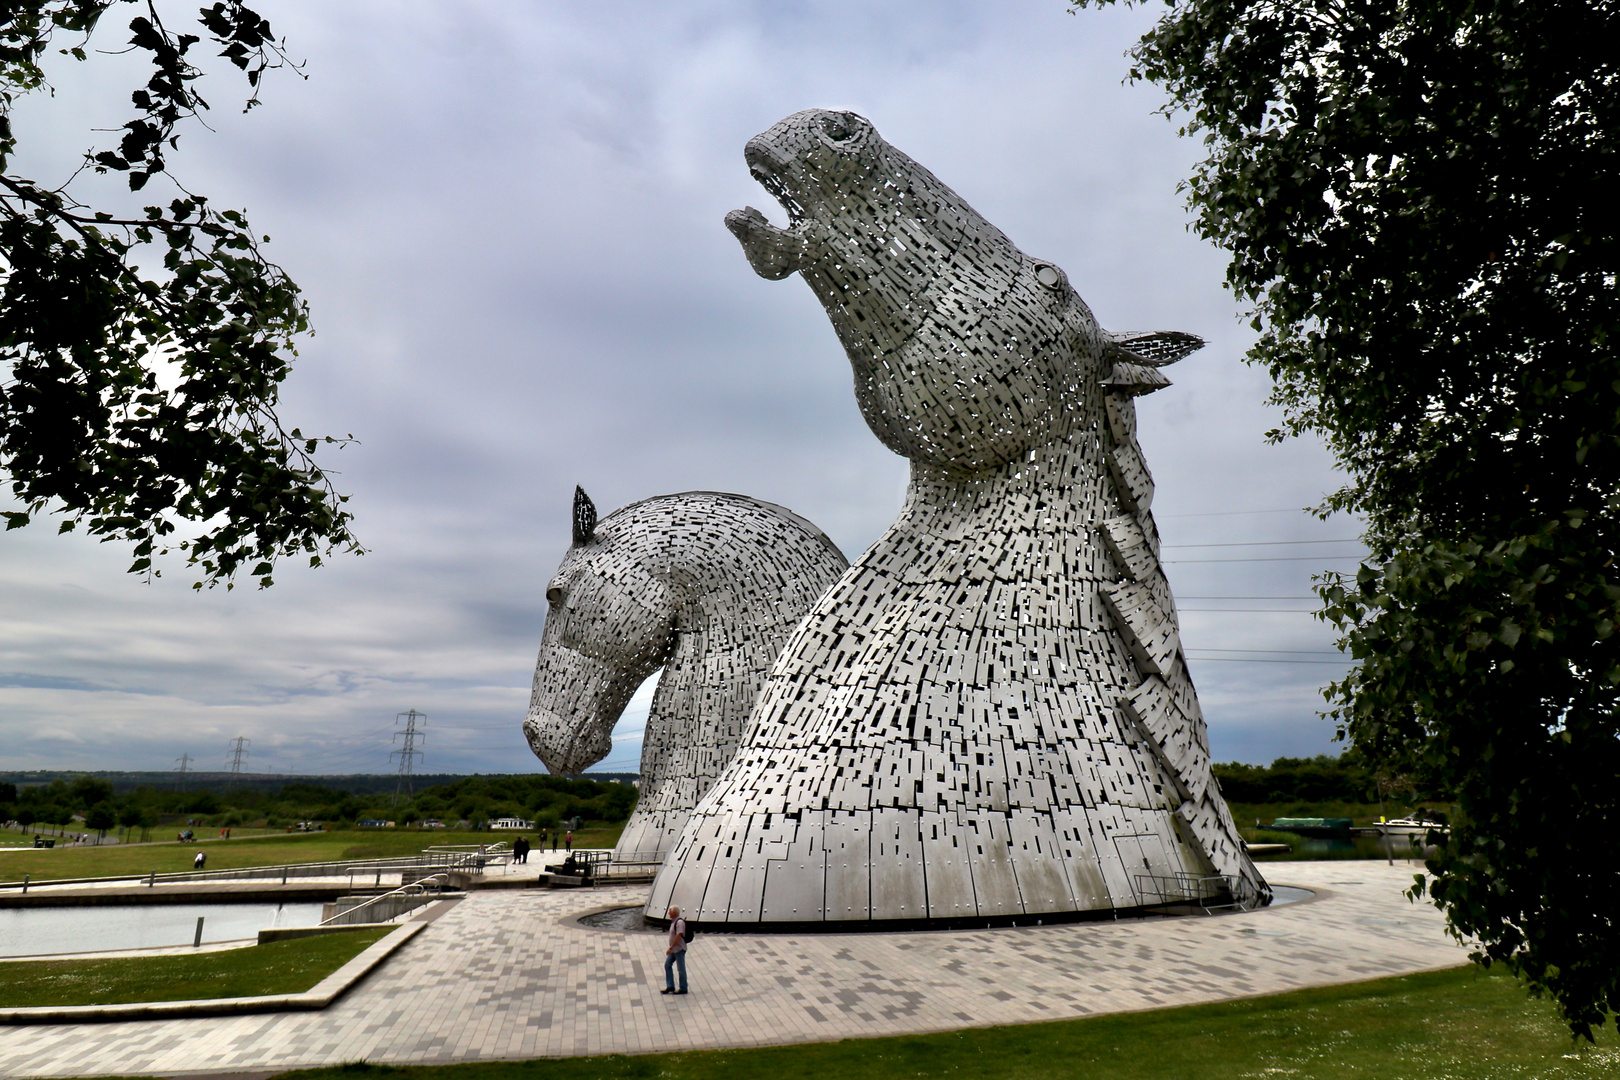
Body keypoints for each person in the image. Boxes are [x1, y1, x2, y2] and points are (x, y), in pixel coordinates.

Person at [662, 905, 688, 995]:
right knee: (667, 965)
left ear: (674, 913)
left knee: (681, 969)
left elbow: (679, 935)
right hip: (674, 950)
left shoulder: (679, 922)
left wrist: (671, 947)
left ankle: (683, 988)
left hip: (679, 949)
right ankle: (670, 986)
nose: (668, 913)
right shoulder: (673, 921)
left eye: (670, 911)